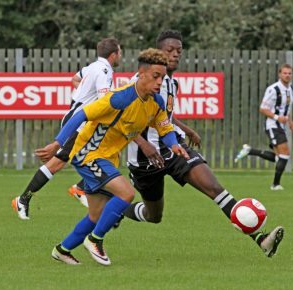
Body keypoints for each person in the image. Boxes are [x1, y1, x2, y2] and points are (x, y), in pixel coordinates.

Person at [121, 30, 284, 258]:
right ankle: (116, 209)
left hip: (174, 147)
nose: (175, 54)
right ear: (158, 52)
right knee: (153, 215)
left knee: (215, 189)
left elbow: (164, 115)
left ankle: (260, 239)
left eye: (179, 50)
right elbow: (121, 119)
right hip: (143, 159)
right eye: (170, 50)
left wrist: (186, 129)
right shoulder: (138, 82)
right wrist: (144, 144)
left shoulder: (171, 83)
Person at [48, 48, 189, 265]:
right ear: (141, 73)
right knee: (126, 193)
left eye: (162, 77)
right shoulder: (120, 99)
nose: (160, 82)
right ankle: (95, 240)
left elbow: (164, 128)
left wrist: (174, 145)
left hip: (108, 157)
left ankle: (62, 249)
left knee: (95, 215)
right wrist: (58, 143)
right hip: (88, 153)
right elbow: (81, 115)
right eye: (155, 76)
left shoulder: (156, 102)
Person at [12, 37, 121, 219]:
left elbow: (75, 79)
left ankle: (80, 188)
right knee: (57, 163)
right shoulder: (104, 70)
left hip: (81, 119)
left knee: (102, 154)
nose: (120, 56)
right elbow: (105, 101)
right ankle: (23, 199)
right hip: (80, 122)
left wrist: (83, 94)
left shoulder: (93, 67)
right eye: (120, 52)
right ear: (113, 54)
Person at [235, 64, 293, 190]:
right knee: (285, 154)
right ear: (280, 74)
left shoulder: (291, 89)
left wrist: (290, 122)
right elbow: (263, 109)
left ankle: (250, 151)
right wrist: (278, 118)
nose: (287, 75)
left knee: (279, 157)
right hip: (273, 125)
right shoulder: (273, 89)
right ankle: (275, 185)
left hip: (282, 126)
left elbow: (286, 109)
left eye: (289, 73)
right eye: (285, 73)